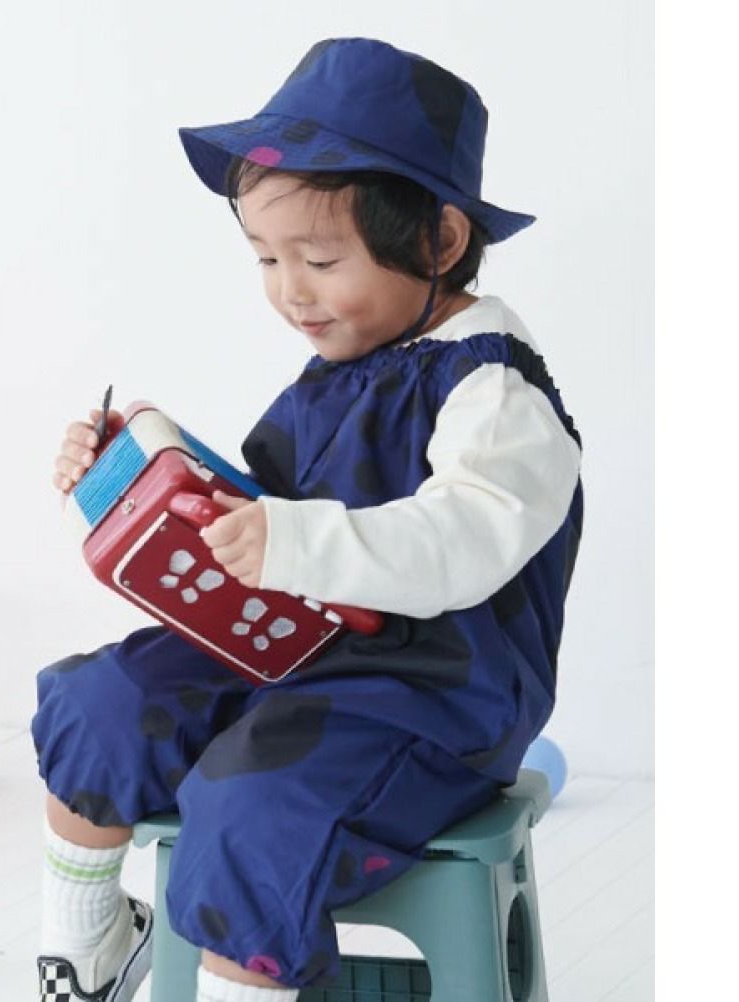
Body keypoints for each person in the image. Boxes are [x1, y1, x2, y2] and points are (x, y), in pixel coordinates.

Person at [34, 37, 584, 1002]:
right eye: (265, 258)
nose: (291, 290)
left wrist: (288, 542)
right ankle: (88, 949)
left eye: (321, 259)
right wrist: (140, 472)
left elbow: (459, 542)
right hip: (293, 650)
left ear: (439, 242)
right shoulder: (352, 356)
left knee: (252, 805)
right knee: (103, 704)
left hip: (431, 698)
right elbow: (275, 506)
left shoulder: (493, 388)